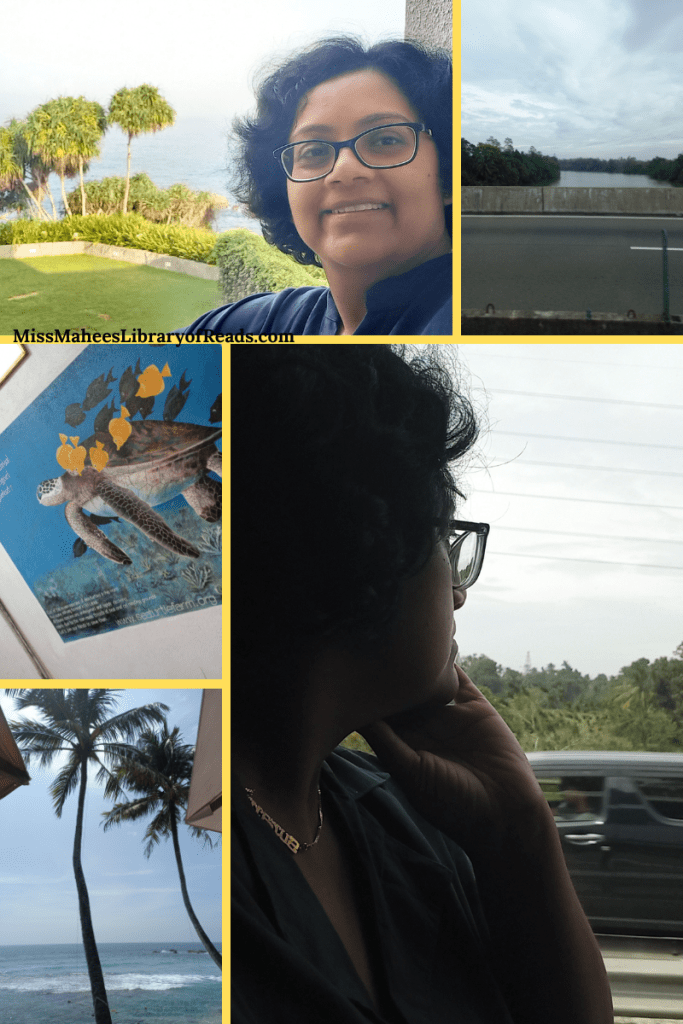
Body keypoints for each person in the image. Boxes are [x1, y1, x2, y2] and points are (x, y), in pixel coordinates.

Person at [231, 346, 614, 1024]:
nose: (459, 594)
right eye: (446, 542)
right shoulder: (195, 857)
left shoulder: (398, 813)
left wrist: (518, 836)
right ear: (366, 552)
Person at [184, 38, 452, 336]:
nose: (344, 170)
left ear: (449, 174)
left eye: (386, 140)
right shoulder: (272, 322)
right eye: (313, 151)